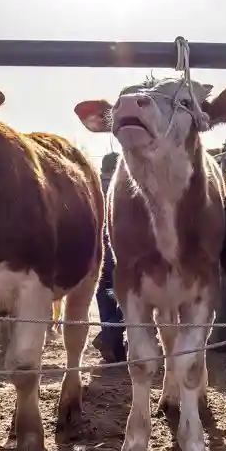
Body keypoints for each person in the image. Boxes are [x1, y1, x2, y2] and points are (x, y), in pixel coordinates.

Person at [91, 152, 127, 363]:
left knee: (105, 300)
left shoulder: (92, 187)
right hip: (118, 256)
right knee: (126, 302)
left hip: (97, 257)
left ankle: (116, 350)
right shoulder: (122, 187)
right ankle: (108, 337)